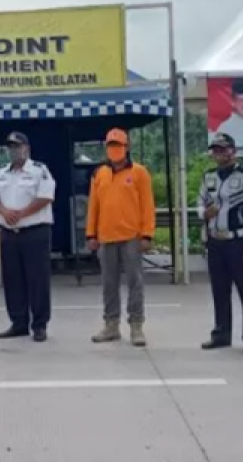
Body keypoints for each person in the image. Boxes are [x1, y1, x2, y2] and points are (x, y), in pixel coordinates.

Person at [86, 128, 155, 347]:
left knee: (135, 282)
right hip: (106, 237)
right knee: (109, 283)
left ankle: (136, 326)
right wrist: (91, 234)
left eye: (118, 145)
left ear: (127, 147)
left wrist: (147, 234)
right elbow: (93, 207)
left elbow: (148, 206)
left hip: (131, 237)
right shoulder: (99, 174)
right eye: (111, 146)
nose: (114, 150)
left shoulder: (139, 172)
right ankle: (111, 325)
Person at [0, 131, 55, 342]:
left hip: (35, 231)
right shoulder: (0, 173)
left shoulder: (39, 170)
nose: (13, 151)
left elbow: (45, 197)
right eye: (10, 147)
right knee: (12, 279)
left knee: (38, 280)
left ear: (26, 148)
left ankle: (40, 325)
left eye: (17, 146)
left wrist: (21, 214)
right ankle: (18, 322)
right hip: (9, 233)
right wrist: (4, 212)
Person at [199, 133, 243, 355]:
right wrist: (204, 213)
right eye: (216, 150)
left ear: (233, 151)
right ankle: (221, 334)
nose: (219, 154)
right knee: (219, 291)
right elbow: (200, 203)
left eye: (223, 149)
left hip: (238, 241)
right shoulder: (209, 177)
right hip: (216, 241)